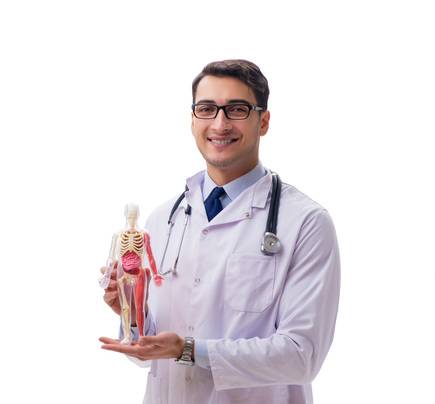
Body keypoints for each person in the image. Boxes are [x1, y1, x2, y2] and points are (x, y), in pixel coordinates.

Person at [98, 59, 342, 403]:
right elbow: (149, 350)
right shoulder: (163, 218)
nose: (220, 123)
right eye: (207, 108)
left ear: (264, 121)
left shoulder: (305, 222)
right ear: (193, 119)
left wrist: (188, 350)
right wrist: (130, 312)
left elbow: (302, 355)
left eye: (237, 109)